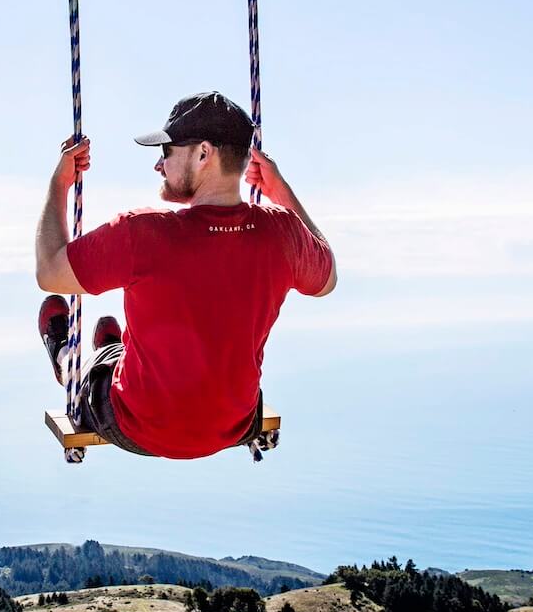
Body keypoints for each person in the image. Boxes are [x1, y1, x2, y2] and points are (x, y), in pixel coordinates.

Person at [34, 90, 336, 459]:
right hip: (234, 425)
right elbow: (328, 275)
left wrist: (59, 183)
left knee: (90, 374)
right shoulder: (283, 233)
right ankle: (115, 348)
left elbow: (50, 272)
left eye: (166, 153)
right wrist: (279, 190)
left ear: (203, 153)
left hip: (138, 427)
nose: (159, 166)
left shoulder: (142, 232)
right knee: (135, 347)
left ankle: (70, 356)